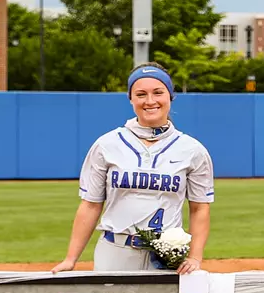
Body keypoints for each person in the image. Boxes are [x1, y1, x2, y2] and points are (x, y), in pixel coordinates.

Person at [52, 65, 214, 274]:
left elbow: (200, 208)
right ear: (130, 99)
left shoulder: (192, 150)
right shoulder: (107, 144)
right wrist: (70, 259)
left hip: (166, 254)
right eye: (141, 94)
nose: (150, 101)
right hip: (115, 250)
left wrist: (194, 257)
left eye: (158, 92)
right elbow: (91, 205)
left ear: (170, 96)